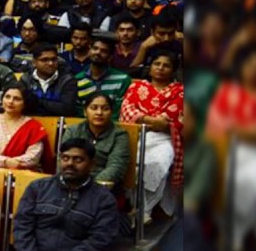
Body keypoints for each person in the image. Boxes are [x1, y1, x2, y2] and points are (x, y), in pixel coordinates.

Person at [206, 45, 256, 251]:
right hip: (224, 149)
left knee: (250, 183)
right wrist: (240, 129)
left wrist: (235, 127)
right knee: (219, 181)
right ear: (242, 68)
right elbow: (214, 127)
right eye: (250, 65)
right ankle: (226, 232)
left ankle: (238, 233)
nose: (255, 70)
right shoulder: (227, 92)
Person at [119, 49, 184, 224]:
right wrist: (152, 120)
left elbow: (170, 120)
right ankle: (138, 208)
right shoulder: (136, 86)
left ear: (173, 70)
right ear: (150, 67)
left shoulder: (180, 91)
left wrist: (144, 118)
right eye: (157, 64)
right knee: (135, 165)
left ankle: (143, 210)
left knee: (157, 163)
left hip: (164, 138)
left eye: (166, 65)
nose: (161, 68)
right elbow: (127, 110)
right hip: (136, 136)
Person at [60, 93, 132, 207]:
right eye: (93, 108)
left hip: (105, 187)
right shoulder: (73, 131)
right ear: (85, 112)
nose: (99, 113)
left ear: (112, 112)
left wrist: (88, 187)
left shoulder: (120, 135)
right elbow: (64, 159)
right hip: (72, 182)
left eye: (105, 109)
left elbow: (116, 167)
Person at [0, 86, 49, 171]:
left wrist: (15, 163)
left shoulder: (33, 126)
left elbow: (33, 156)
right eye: (7, 97)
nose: (10, 101)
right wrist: (5, 162)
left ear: (25, 103)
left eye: (17, 99)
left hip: (22, 175)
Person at [75, 37, 132, 119]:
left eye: (103, 51)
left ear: (110, 57)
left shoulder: (122, 79)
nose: (98, 52)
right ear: (89, 51)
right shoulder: (77, 80)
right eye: (95, 48)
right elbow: (79, 111)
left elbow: (119, 111)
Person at [19, 43, 78, 117]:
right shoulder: (26, 79)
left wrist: (38, 101)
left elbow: (68, 110)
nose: (50, 63)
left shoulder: (67, 80)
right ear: (34, 62)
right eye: (44, 60)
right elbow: (21, 107)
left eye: (53, 59)